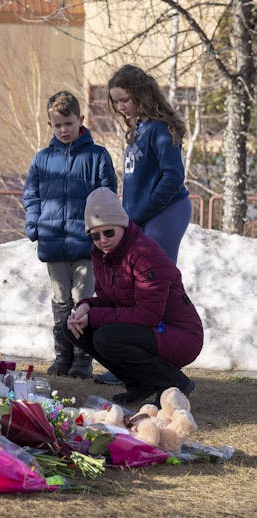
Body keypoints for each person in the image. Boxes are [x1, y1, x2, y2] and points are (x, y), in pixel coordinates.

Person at [97, 65, 193, 387]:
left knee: (153, 289)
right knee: (133, 286)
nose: (121, 107)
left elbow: (172, 178)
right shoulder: (138, 130)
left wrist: (143, 213)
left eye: (124, 100)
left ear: (140, 94)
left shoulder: (160, 129)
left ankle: (158, 362)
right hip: (140, 217)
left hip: (164, 215)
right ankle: (131, 357)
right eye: (116, 102)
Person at [64, 187, 202, 405]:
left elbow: (148, 315)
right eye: (95, 235)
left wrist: (94, 316)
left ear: (123, 225)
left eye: (108, 232)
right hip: (150, 328)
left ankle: (174, 383)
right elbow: (109, 300)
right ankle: (140, 384)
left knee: (106, 337)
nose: (102, 240)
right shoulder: (102, 254)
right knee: (73, 328)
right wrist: (85, 307)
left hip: (178, 333)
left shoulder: (145, 254)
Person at [23, 91, 117, 379]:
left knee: (83, 299)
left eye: (68, 123)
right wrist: (34, 225)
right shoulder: (42, 160)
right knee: (60, 299)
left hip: (86, 243)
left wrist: (100, 233)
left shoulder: (97, 156)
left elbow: (107, 194)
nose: (63, 130)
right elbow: (31, 195)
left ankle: (82, 358)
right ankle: (62, 356)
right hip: (52, 241)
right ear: (50, 125)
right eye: (57, 125)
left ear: (81, 120)